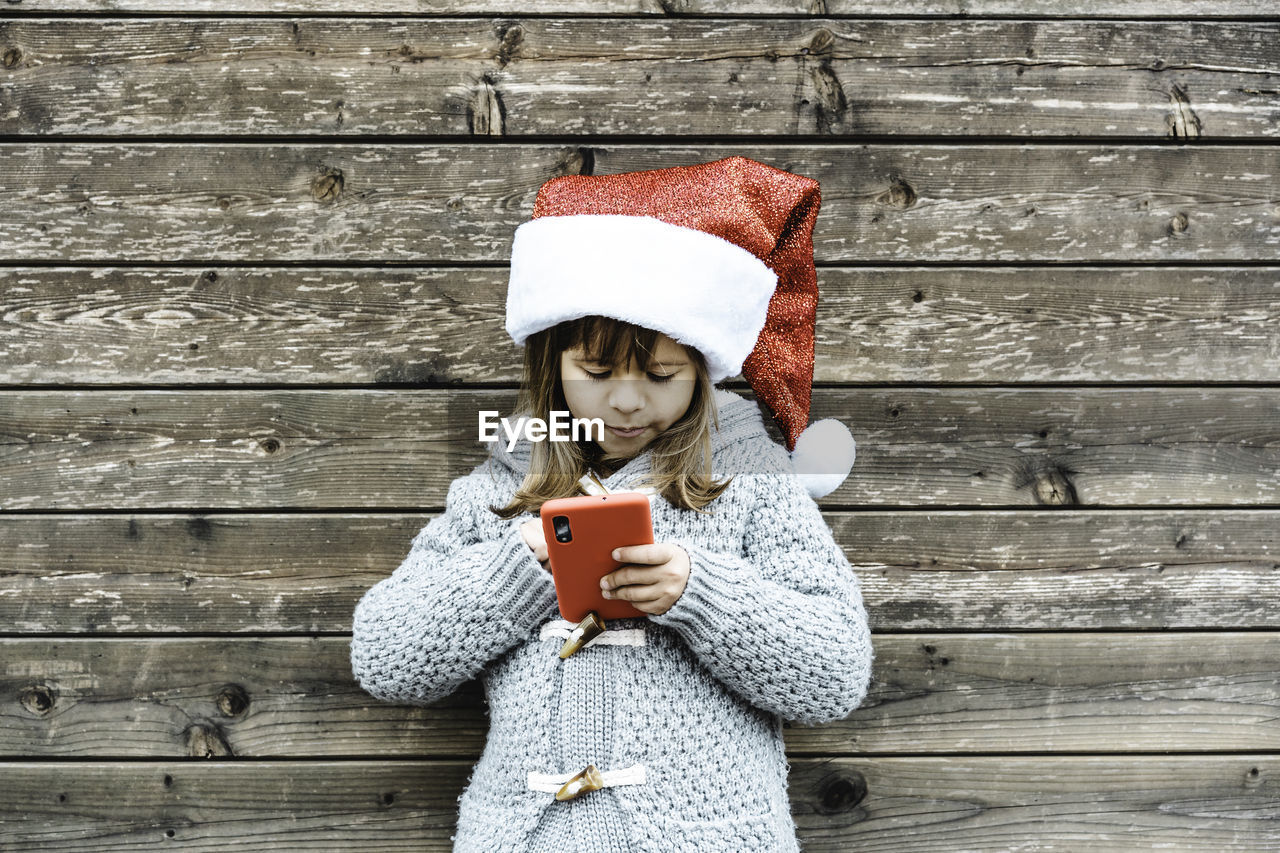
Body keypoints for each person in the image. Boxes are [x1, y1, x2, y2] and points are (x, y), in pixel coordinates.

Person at [350, 156, 872, 852]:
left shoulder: (752, 481)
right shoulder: (499, 490)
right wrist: (514, 572)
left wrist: (700, 593)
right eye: (596, 373)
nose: (626, 401)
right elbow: (385, 658)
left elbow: (836, 672)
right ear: (551, 363)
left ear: (702, 368)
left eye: (661, 375)